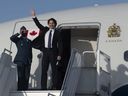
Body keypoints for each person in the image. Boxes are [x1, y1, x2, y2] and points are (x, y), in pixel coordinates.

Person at [31, 10, 63, 90]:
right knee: (44, 70)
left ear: (55, 24)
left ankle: (55, 86)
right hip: (45, 51)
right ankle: (43, 87)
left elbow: (61, 44)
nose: (51, 24)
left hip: (53, 52)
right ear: (48, 24)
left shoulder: (58, 32)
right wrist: (34, 17)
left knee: (54, 70)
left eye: (53, 23)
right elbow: (38, 25)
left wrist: (59, 54)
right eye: (50, 23)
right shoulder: (45, 30)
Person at [10, 26, 32, 91]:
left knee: (26, 77)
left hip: (27, 61)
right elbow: (12, 38)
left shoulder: (29, 40)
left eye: (24, 30)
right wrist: (19, 33)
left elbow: (30, 52)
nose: (23, 31)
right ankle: (20, 90)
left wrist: (30, 60)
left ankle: (25, 89)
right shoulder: (18, 40)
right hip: (20, 61)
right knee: (20, 76)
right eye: (22, 30)